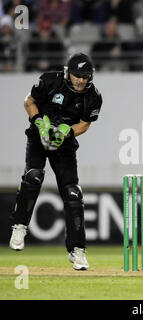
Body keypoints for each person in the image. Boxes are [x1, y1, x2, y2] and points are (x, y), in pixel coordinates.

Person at [9, 53, 103, 271]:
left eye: (85, 76)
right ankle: (20, 226)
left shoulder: (93, 96)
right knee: (34, 175)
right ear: (67, 72)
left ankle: (77, 250)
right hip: (38, 137)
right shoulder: (50, 81)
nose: (81, 80)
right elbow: (29, 101)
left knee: (72, 193)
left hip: (65, 145)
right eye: (77, 75)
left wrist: (67, 132)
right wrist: (40, 123)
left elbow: (85, 124)